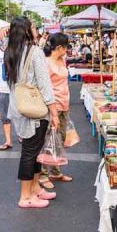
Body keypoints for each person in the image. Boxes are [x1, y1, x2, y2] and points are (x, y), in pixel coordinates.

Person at [5, 16, 59, 208]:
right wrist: (54, 112)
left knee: (34, 151)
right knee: (30, 153)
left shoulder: (11, 52)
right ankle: (25, 196)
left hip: (20, 107)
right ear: (27, 31)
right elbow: (44, 85)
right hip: (36, 111)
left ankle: (35, 188)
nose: (36, 30)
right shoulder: (34, 52)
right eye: (34, 27)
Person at [39, 33, 73, 189]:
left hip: (64, 104)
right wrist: (52, 111)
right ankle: (43, 174)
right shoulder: (46, 63)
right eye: (66, 47)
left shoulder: (62, 60)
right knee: (49, 140)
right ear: (59, 47)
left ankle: (55, 170)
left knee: (59, 139)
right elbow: (44, 88)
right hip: (53, 106)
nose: (67, 50)